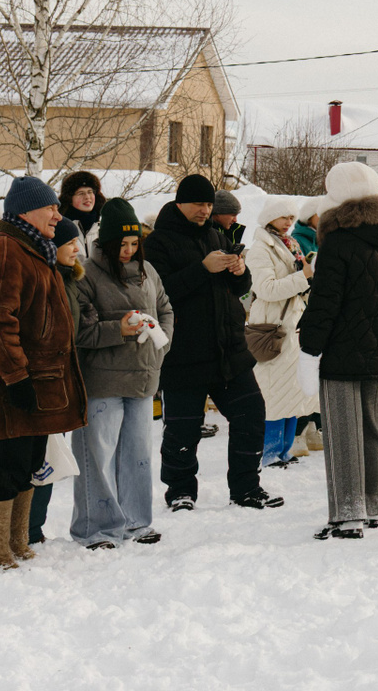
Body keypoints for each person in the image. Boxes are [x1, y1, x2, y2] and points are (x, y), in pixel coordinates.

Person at [0, 176, 87, 570]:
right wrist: (16, 377)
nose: (57, 215)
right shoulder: (5, 251)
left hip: (38, 381)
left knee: (25, 465)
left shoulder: (34, 250)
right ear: (25, 211)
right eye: (50, 207)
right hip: (11, 383)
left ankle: (15, 543)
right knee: (3, 466)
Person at [144, 174, 280, 513]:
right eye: (198, 203)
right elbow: (158, 294)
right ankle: (180, 492)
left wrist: (240, 272)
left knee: (251, 414)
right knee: (182, 430)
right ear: (180, 203)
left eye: (208, 204)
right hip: (183, 352)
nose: (204, 210)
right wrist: (203, 269)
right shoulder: (157, 242)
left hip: (228, 349)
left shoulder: (216, 236)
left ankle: (246, 488)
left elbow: (238, 290)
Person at [298, 162, 378, 539]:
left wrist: (309, 348)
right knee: (370, 428)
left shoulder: (338, 240)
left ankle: (348, 515)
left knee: (342, 434)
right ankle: (374, 504)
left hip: (341, 351)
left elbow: (325, 302)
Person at [70, 198, 172, 549]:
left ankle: (135, 521)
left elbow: (165, 308)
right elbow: (81, 330)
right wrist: (120, 330)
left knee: (138, 455)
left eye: (134, 243)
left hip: (143, 377)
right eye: (122, 244)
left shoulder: (148, 271)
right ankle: (95, 528)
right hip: (103, 381)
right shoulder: (86, 273)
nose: (129, 250)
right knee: (97, 457)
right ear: (107, 242)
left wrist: (161, 343)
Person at [247, 194, 321, 467]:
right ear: (270, 217)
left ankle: (284, 450)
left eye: (292, 217)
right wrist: (303, 276)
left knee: (292, 391)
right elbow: (266, 289)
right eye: (284, 217)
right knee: (273, 392)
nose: (289, 222)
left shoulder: (289, 244)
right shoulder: (260, 248)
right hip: (273, 326)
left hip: (292, 324)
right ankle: (269, 452)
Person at [28, 216, 88, 544]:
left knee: (48, 456)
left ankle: (33, 527)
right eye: (70, 243)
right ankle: (27, 528)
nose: (76, 249)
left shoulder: (70, 278)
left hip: (61, 380)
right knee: (39, 457)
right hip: (44, 380)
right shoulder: (47, 279)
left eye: (77, 242)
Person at [58, 170, 106, 258]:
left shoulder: (102, 229)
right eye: (81, 193)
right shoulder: (60, 229)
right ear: (69, 199)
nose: (87, 197)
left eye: (90, 192)